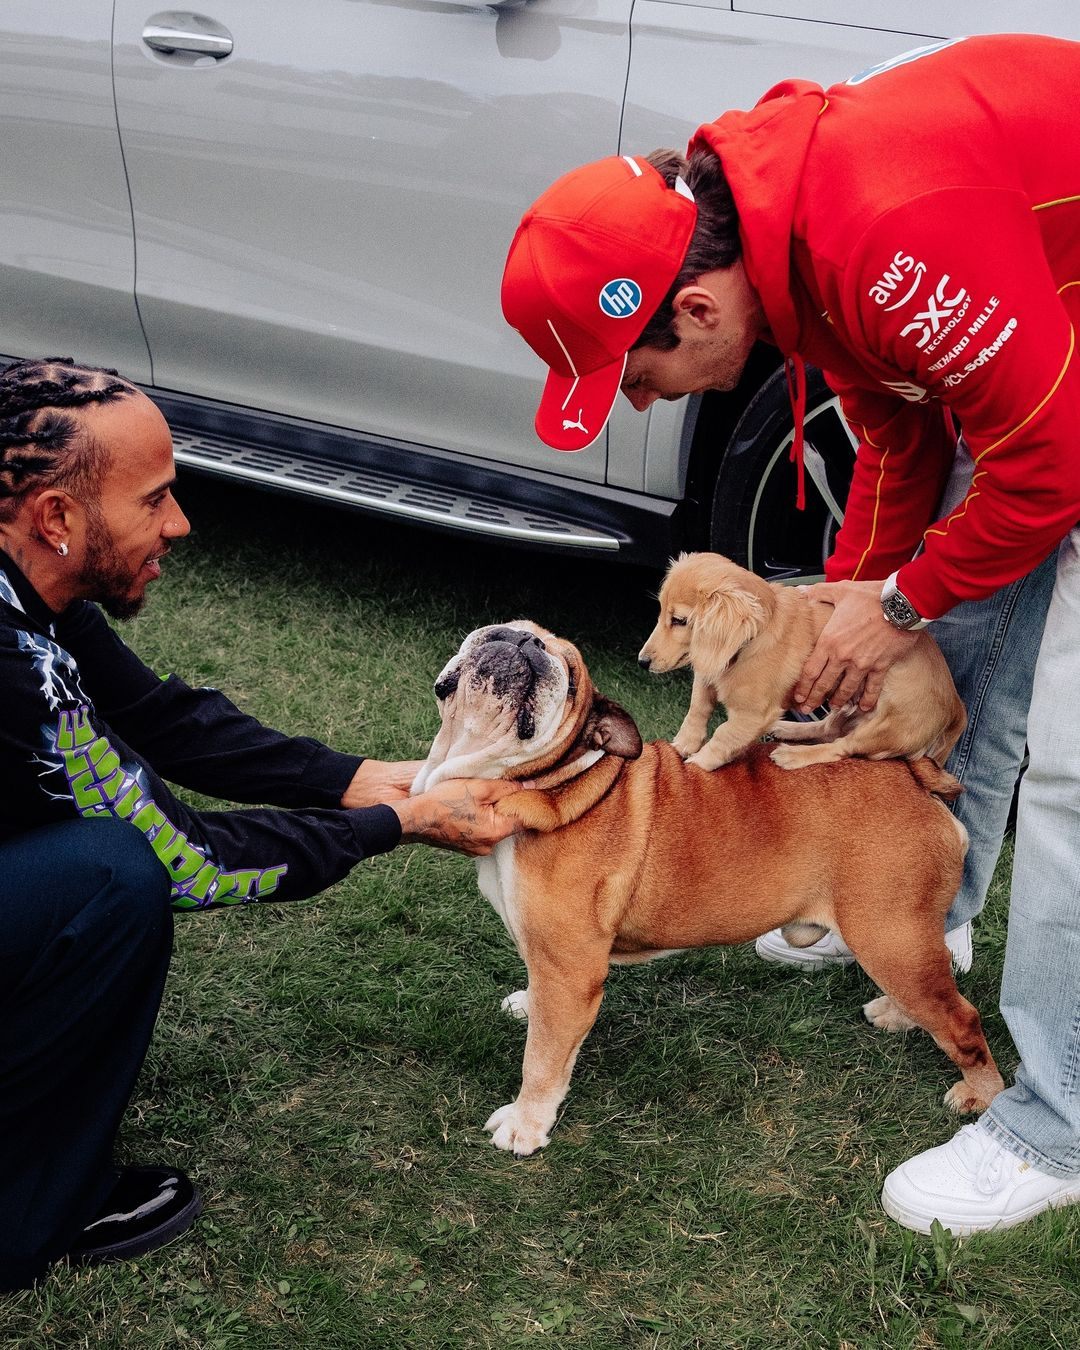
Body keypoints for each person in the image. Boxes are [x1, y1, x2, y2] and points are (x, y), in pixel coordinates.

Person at [500, 33, 1080, 1234]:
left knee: (1073, 772)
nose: (650, 403)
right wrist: (857, 604)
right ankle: (921, 907)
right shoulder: (788, 241)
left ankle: (1056, 1124)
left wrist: (900, 603)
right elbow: (906, 439)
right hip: (1045, 360)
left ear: (697, 307)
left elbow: (1053, 463)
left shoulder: (879, 236)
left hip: (1061, 405)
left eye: (640, 378)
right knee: (952, 661)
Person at [0, 357, 519, 1291]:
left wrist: (355, 779)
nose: (179, 523)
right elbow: (185, 863)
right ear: (58, 519)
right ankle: (27, 1211)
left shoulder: (28, 580)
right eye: (154, 499)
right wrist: (397, 825)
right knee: (111, 877)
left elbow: (158, 715)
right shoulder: (10, 656)